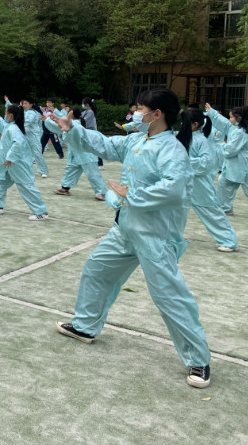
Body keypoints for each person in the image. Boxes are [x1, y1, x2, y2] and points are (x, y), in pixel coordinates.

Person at [49, 88, 212, 389]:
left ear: (157, 114)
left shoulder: (172, 149)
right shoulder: (138, 139)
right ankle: (85, 326)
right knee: (97, 269)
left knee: (169, 297)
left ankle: (198, 359)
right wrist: (73, 129)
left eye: (140, 108)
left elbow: (174, 189)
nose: (136, 113)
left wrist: (131, 194)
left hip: (155, 236)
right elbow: (106, 144)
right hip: (125, 229)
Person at [0, 102, 49, 220]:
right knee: (0, 181)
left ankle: (41, 212)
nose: (4, 114)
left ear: (10, 115)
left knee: (25, 185)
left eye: (6, 112)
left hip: (16, 162)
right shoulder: (9, 126)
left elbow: (18, 144)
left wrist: (10, 158)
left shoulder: (14, 129)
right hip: (6, 162)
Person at [183, 108, 238, 251]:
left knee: (210, 211)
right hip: (183, 181)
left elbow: (206, 163)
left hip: (199, 184)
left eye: (184, 122)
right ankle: (169, 235)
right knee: (171, 208)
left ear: (195, 124)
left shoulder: (202, 141)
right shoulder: (186, 137)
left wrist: (184, 161)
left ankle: (228, 240)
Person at [205, 103, 248, 219]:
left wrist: (222, 145)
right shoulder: (234, 126)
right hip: (234, 166)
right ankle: (225, 208)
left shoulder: (241, 132)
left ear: (238, 119)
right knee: (224, 183)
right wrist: (212, 112)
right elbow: (223, 121)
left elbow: (231, 150)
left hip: (243, 166)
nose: (229, 119)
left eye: (231, 117)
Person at [46, 107, 106, 200]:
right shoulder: (72, 123)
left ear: (71, 113)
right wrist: (46, 120)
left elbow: (60, 127)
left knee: (92, 174)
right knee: (70, 170)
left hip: (86, 153)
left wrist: (47, 120)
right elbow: (59, 128)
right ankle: (65, 188)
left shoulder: (76, 124)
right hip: (75, 153)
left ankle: (102, 193)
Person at [22, 97, 49, 178]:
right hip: (25, 135)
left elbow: (28, 122)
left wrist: (19, 123)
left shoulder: (33, 113)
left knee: (37, 153)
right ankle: (26, 171)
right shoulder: (24, 112)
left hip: (34, 136)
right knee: (26, 154)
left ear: (31, 104)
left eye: (26, 103)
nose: (24, 105)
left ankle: (43, 171)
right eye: (23, 103)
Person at [82, 96, 103, 168]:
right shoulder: (86, 111)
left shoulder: (90, 112)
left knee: (95, 148)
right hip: (88, 132)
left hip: (92, 132)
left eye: (83, 103)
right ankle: (91, 162)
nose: (82, 105)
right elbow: (79, 116)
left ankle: (100, 164)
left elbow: (83, 121)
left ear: (87, 104)